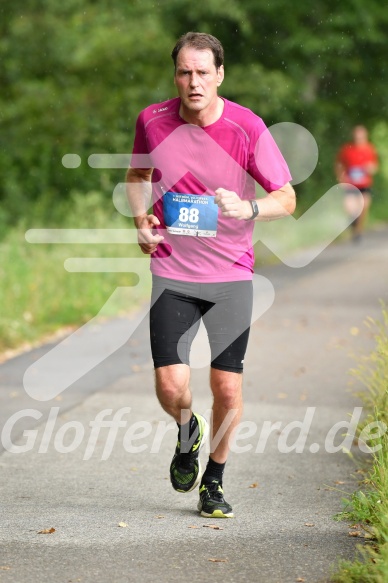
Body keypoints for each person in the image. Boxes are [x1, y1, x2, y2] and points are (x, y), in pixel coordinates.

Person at [126, 32, 296, 518]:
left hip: (230, 274)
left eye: (203, 72)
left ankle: (214, 481)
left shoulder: (247, 127)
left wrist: (247, 206)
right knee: (170, 385)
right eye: (184, 72)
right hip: (173, 271)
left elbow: (286, 198)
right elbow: (137, 178)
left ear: (220, 74)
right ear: (175, 75)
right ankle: (187, 432)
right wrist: (141, 222)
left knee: (227, 387)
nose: (193, 81)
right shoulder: (152, 121)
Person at [335, 125, 379, 241]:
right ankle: (353, 222)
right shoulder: (347, 149)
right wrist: (341, 177)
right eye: (356, 135)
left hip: (365, 184)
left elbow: (375, 166)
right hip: (350, 184)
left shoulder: (370, 149)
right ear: (353, 136)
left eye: (361, 135)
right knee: (349, 208)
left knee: (364, 207)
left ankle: (358, 232)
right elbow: (339, 164)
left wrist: (370, 168)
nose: (358, 137)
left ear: (365, 136)